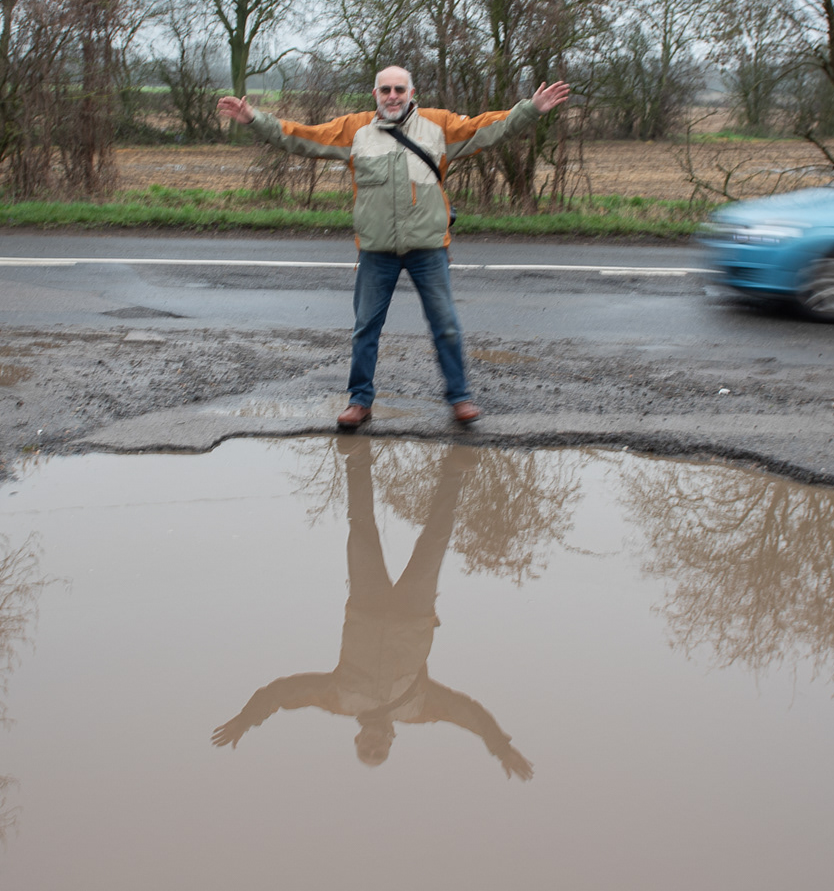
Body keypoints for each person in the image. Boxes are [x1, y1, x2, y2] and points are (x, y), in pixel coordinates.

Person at [218, 68, 569, 429]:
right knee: (365, 327)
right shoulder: (353, 129)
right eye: (385, 89)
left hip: (428, 248)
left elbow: (489, 127)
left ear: (411, 91)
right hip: (376, 250)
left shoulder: (439, 125)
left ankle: (460, 398)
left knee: (445, 324)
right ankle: (360, 401)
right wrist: (253, 119)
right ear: (375, 93)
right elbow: (300, 137)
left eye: (399, 89)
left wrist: (531, 109)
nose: (392, 96)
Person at [210, 437, 533, 779]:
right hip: (414, 614)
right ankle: (455, 469)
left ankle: (357, 457)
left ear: (358, 738)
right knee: (435, 540)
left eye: (367, 749)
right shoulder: (417, 710)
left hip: (366, 606)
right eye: (380, 752)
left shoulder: (336, 700)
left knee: (361, 528)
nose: (374, 745)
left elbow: (281, 693)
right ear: (391, 743)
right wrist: (500, 747)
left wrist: (247, 718)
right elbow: (468, 714)